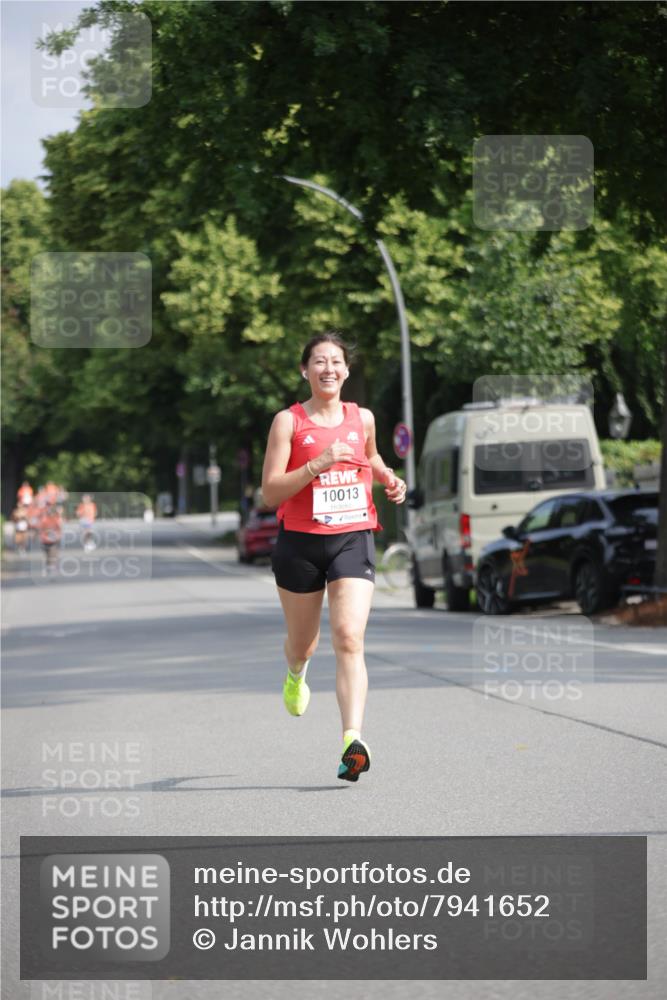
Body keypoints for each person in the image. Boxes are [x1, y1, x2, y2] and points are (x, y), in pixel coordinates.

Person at [261, 332, 407, 782]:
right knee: (305, 643)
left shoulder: (361, 417)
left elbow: (371, 455)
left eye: (336, 361)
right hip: (300, 543)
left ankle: (352, 740)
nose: (328, 369)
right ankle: (295, 673)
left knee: (349, 637)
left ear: (346, 370)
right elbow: (270, 493)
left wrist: (387, 477)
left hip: (352, 536)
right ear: (305, 370)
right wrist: (317, 463)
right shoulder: (288, 422)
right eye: (319, 362)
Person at [39, 502, 63, 575]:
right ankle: (48, 565)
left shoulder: (56, 519)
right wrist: (42, 537)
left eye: (52, 513)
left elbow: (59, 528)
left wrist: (58, 536)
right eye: (49, 513)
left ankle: (52, 565)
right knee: (47, 554)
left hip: (53, 539)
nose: (51, 514)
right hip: (45, 539)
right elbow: (41, 529)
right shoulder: (44, 520)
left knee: (53, 552)